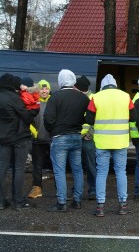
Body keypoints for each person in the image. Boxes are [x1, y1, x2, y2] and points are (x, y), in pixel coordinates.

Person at [85, 74, 135, 217]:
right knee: (121, 172)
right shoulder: (125, 96)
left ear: (102, 86)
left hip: (102, 141)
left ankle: (100, 206)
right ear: (115, 85)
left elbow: (88, 119)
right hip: (120, 141)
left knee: (101, 173)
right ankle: (123, 205)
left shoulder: (96, 97)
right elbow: (135, 116)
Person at [43, 69, 89, 212]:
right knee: (77, 170)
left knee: (60, 171)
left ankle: (61, 203)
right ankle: (77, 200)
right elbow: (87, 118)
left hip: (60, 137)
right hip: (76, 136)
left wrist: (53, 130)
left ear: (60, 81)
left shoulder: (55, 97)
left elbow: (48, 119)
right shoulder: (83, 98)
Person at [0, 73, 38, 210]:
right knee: (19, 169)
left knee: (2, 169)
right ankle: (19, 202)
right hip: (19, 138)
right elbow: (27, 117)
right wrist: (35, 111)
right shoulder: (14, 98)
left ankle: (1, 201)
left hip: (2, 139)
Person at [28, 79, 52, 199]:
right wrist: (35, 133)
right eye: (42, 89)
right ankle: (37, 188)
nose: (44, 91)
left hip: (52, 140)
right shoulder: (33, 102)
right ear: (38, 90)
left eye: (46, 88)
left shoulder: (54, 102)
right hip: (37, 140)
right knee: (37, 166)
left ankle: (60, 191)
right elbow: (28, 119)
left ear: (49, 89)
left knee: (57, 166)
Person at [75, 75, 97, 200]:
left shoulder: (93, 98)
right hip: (78, 135)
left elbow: (97, 119)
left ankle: (93, 190)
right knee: (76, 165)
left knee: (90, 165)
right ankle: (77, 190)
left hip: (87, 138)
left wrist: (90, 134)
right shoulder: (78, 97)